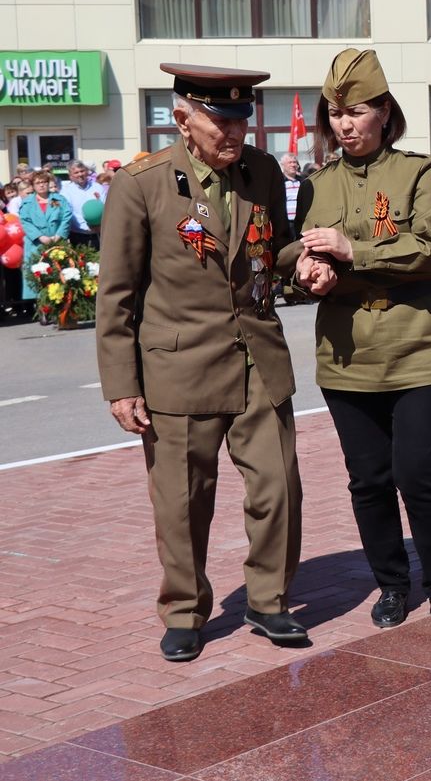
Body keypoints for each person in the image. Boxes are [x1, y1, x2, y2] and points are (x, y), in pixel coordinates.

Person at [95, 63, 305, 662]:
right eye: (221, 119)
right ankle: (185, 609)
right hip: (178, 367)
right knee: (183, 500)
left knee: (278, 485)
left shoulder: (260, 171)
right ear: (183, 116)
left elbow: (275, 247)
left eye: (243, 118)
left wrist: (308, 261)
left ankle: (269, 600)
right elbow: (117, 295)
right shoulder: (141, 183)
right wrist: (121, 386)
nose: (234, 131)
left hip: (257, 359)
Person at [292, 48, 431, 626]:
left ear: (384, 113)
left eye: (358, 111)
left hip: (423, 346)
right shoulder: (318, 184)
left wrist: (352, 250)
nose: (345, 125)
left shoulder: (422, 173)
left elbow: (428, 249)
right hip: (349, 353)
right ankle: (392, 584)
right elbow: (300, 246)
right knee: (368, 479)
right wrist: (306, 269)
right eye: (335, 114)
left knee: (417, 468)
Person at [18, 170, 72, 309]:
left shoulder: (58, 199)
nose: (41, 185)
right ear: (33, 186)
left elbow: (66, 217)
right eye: (38, 183)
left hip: (56, 241)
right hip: (36, 244)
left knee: (56, 274)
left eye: (44, 182)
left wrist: (58, 235)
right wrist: (40, 237)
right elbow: (25, 221)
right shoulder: (27, 203)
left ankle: (58, 306)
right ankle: (42, 308)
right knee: (38, 274)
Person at [57, 159, 105, 248]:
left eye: (82, 171)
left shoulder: (98, 187)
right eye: (76, 172)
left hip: (98, 234)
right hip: (77, 236)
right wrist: (87, 226)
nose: (80, 174)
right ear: (70, 176)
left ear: (87, 172)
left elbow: (105, 208)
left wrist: (99, 225)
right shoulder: (65, 192)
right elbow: (67, 213)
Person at [279, 152, 302, 236]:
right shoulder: (279, 182)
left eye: (294, 162)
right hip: (286, 224)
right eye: (290, 162)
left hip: (301, 222)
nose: (293, 165)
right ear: (283, 165)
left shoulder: (303, 181)